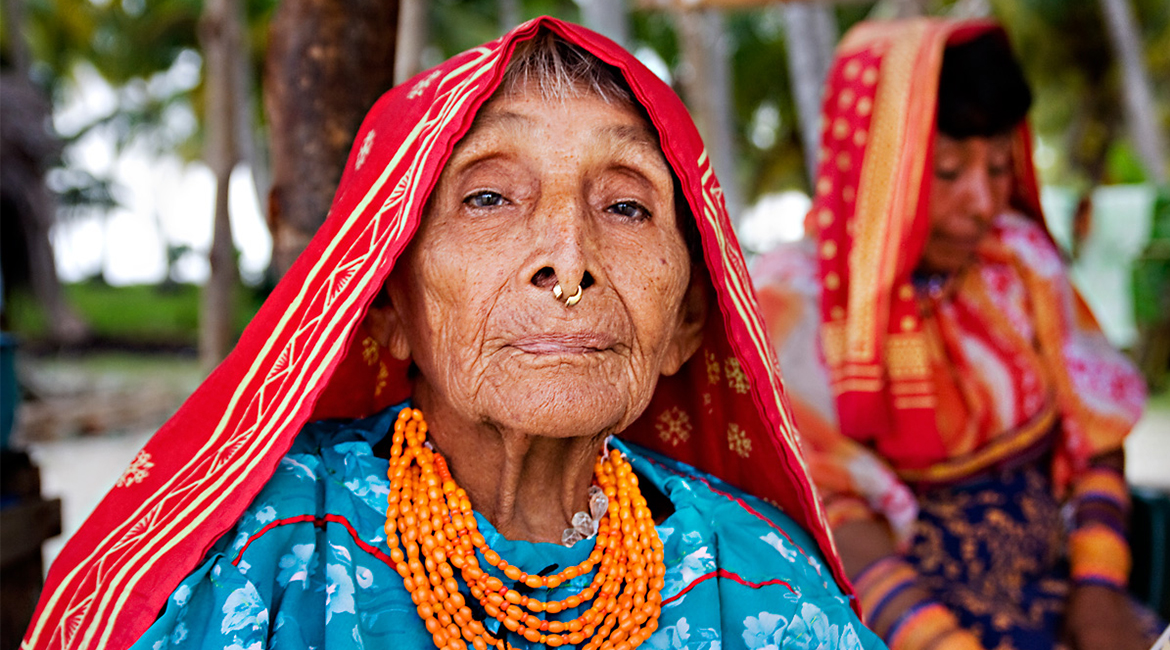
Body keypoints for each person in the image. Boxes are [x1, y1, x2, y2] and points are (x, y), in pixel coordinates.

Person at [24, 18, 882, 650]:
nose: (568, 261)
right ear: (389, 300)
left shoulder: (759, 579)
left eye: (625, 205)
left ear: (688, 323)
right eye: (489, 198)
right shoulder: (261, 554)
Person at [753, 18, 1160, 650]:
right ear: (876, 169)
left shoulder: (1020, 264)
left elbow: (1095, 433)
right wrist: (941, 641)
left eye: (999, 166)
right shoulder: (791, 305)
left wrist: (1100, 592)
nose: (982, 201)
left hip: (1063, 601)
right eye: (946, 171)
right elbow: (833, 512)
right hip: (890, 622)